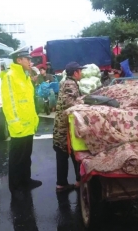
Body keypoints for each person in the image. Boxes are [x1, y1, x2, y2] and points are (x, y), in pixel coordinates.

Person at [1, 46, 42, 198]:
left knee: (26, 156)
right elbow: (9, 103)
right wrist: (15, 123)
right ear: (19, 60)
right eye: (28, 59)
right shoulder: (10, 76)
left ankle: (26, 180)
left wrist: (34, 119)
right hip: (19, 126)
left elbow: (29, 102)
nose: (30, 61)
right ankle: (15, 186)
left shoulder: (25, 76)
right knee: (16, 158)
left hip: (28, 124)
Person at [53, 61, 84, 193]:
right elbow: (71, 104)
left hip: (62, 125)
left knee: (64, 155)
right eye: (80, 71)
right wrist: (85, 101)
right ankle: (73, 182)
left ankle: (64, 183)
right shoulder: (70, 84)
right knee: (72, 153)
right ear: (75, 72)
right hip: (65, 127)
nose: (81, 73)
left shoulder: (66, 82)